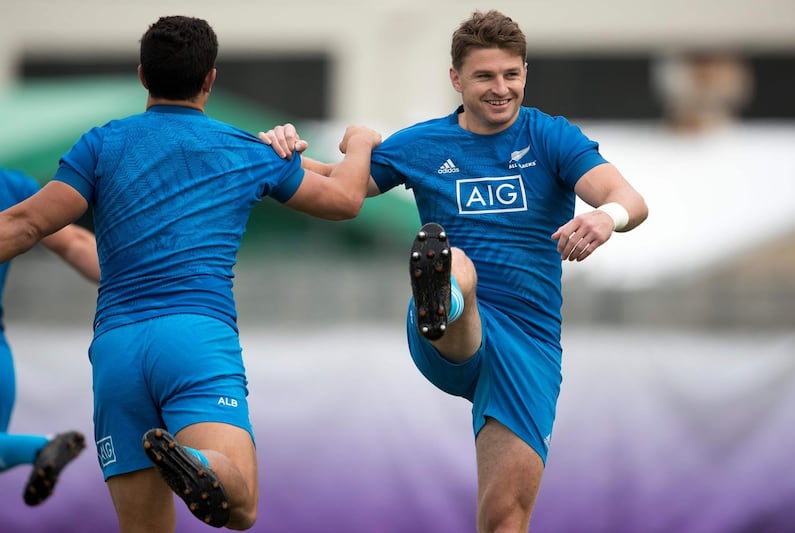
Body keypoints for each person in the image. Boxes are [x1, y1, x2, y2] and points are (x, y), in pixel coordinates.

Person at [261, 9, 648, 532]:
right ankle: (441, 297)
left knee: (505, 517)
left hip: (529, 343)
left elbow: (629, 199)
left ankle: (447, 291)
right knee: (455, 264)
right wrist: (274, 156)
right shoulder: (424, 144)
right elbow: (336, 182)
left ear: (525, 74)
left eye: (511, 75)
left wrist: (606, 217)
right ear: (456, 78)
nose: (500, 89)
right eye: (485, 76)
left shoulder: (551, 138)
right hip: (447, 330)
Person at [0, 16, 380, 533]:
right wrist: (357, 142)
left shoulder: (101, 144)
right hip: (194, 336)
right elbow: (345, 199)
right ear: (210, 80)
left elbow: (22, 226)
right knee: (239, 504)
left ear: (142, 76)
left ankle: (190, 465)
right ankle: (198, 464)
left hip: (116, 349)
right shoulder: (244, 149)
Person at [0, 168, 99, 506]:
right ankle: (38, 448)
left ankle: (37, 447)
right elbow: (74, 243)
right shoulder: (13, 185)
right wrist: (147, 280)